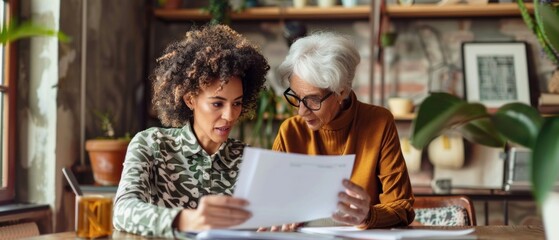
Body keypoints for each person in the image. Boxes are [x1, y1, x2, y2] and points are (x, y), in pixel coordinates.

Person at [112, 24, 270, 238]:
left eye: (237, 103)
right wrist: (187, 220)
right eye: (217, 104)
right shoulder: (151, 144)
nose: (230, 116)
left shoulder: (249, 159)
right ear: (190, 100)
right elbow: (123, 211)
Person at [269, 32, 415, 230]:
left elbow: (403, 208)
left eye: (312, 99)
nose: (301, 111)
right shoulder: (291, 132)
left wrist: (369, 215)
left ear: (342, 92)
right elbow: (269, 205)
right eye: (295, 97)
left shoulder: (379, 123)